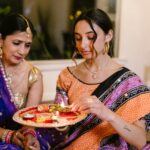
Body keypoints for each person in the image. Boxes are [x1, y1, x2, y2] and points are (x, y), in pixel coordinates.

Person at [53, 8, 150, 149]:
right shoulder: (67, 77)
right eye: (78, 38)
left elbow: (140, 140)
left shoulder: (129, 82)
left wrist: (107, 114)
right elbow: (58, 128)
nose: (83, 45)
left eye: (91, 37)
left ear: (108, 35)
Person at [0, 13, 44, 150]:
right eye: (16, 43)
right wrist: (6, 135)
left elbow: (29, 120)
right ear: (1, 40)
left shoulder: (34, 75)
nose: (22, 51)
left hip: (20, 137)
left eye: (27, 45)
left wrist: (30, 136)